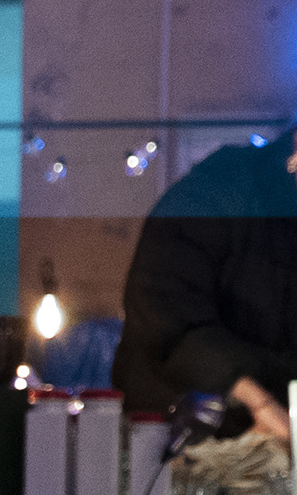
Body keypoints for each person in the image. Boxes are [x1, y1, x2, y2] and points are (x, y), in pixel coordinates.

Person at [110, 127, 297, 439]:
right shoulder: (221, 186)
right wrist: (258, 401)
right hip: (176, 439)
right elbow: (163, 310)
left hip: (260, 438)